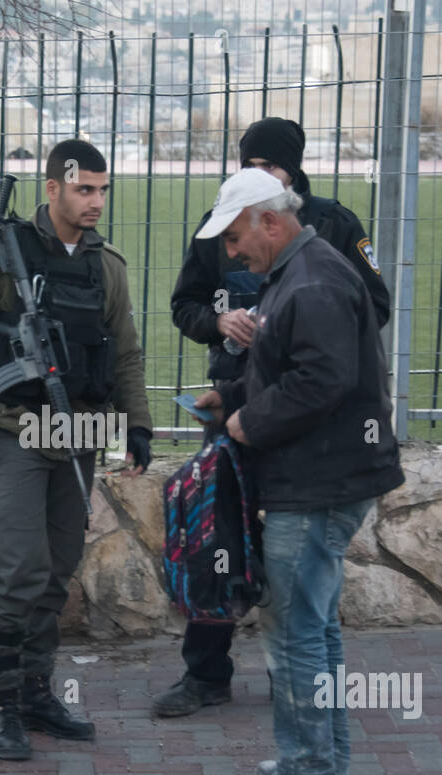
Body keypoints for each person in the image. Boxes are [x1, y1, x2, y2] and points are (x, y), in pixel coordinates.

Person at [187, 168, 404, 775]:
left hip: (317, 483)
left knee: (296, 633)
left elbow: (319, 378)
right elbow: (291, 365)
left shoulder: (309, 280)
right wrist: (228, 396)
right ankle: (322, 760)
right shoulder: (301, 271)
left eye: (234, 236)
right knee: (316, 627)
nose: (231, 252)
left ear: (268, 222)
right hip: (325, 476)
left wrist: (248, 419)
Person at [157, 116, 389, 719]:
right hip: (241, 398)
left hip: (300, 431)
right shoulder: (229, 216)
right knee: (220, 539)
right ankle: (206, 672)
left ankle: (307, 750)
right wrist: (220, 323)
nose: (233, 252)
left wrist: (284, 335)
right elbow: (184, 304)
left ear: (287, 180)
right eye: (247, 164)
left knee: (301, 595)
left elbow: (357, 328)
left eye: (266, 168)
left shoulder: (333, 229)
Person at [0, 140, 153, 760]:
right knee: (21, 571)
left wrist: (138, 425)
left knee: (55, 573)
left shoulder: (106, 266)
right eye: (85, 190)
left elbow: (125, 352)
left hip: (79, 436)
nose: (96, 202)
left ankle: (36, 693)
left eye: (103, 190)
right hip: (14, 431)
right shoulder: (2, 254)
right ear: (52, 188)